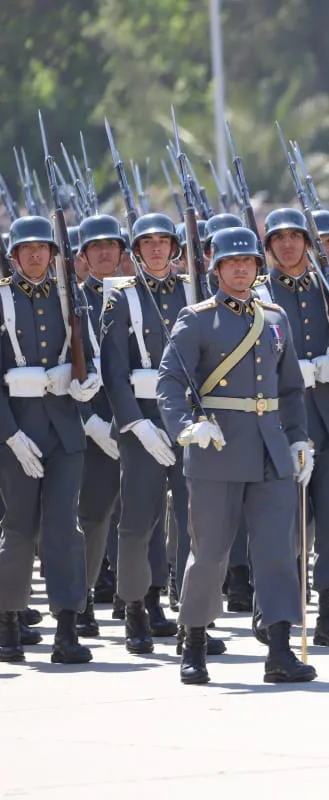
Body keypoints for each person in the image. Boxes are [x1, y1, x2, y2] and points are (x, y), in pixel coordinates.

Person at [157, 226, 315, 685]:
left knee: (277, 553)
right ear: (217, 268)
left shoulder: (275, 317)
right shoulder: (197, 319)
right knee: (209, 553)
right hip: (218, 447)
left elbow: (290, 388)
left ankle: (281, 649)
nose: (242, 268)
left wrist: (299, 438)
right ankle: (195, 643)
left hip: (270, 449)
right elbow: (170, 382)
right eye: (232, 262)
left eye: (248, 262)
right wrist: (186, 426)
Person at [0, 216, 102, 664]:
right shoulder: (2, 299)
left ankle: (67, 626)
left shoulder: (70, 299)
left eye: (44, 248)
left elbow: (90, 354)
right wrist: (9, 434)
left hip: (64, 431)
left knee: (65, 529)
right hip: (18, 431)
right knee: (19, 530)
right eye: (28, 249)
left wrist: (86, 383)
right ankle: (7, 624)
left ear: (55, 255)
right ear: (14, 256)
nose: (37, 255)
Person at [262, 208, 329, 648]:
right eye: (278, 238)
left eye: (295, 237)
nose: (287, 245)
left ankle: (328, 615)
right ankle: (272, 609)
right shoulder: (260, 296)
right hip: (282, 423)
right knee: (281, 524)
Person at [101, 213, 193, 653]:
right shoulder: (123, 300)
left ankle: (194, 618)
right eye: (147, 243)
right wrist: (134, 423)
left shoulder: (195, 293)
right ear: (135, 251)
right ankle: (137, 607)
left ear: (174, 248)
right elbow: (113, 370)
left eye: (163, 242)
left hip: (190, 419)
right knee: (138, 522)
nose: (156, 250)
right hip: (143, 418)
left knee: (197, 522)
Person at [74, 214, 126, 636]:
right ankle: (83, 596)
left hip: (138, 421)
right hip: (94, 425)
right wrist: (90, 422)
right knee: (93, 517)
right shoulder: (72, 302)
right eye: (97, 248)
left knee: (140, 516)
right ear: (84, 257)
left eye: (112, 246)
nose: (106, 253)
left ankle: (136, 597)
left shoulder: (138, 296)